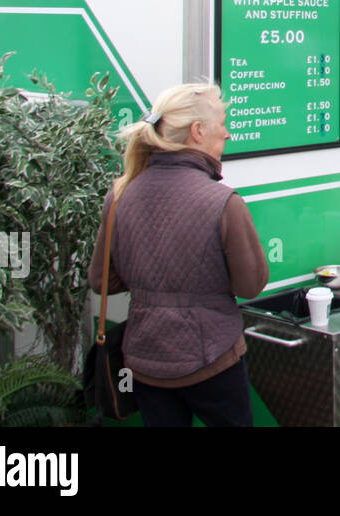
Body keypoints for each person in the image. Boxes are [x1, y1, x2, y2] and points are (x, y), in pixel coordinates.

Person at [88, 84, 269, 427]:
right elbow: (251, 285)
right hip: (212, 357)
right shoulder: (222, 201)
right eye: (222, 123)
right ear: (198, 131)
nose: (227, 132)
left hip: (145, 358)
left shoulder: (119, 194)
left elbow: (100, 281)